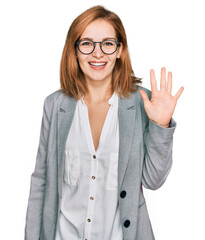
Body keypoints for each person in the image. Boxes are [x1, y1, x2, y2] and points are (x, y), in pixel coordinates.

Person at [25, 5, 184, 240]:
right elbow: (42, 179)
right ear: (75, 50)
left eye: (108, 44)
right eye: (87, 43)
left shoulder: (143, 103)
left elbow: (153, 180)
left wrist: (160, 126)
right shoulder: (54, 105)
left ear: (120, 50)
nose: (97, 54)